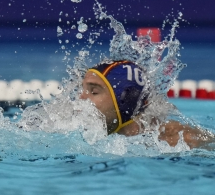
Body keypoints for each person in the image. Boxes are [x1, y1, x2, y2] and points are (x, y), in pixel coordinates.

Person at [80, 60, 214, 149]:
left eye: (94, 91)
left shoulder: (177, 140)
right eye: (82, 90)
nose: (81, 98)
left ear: (124, 101)